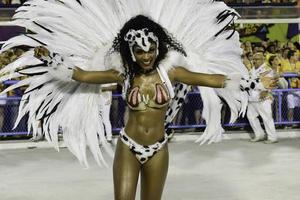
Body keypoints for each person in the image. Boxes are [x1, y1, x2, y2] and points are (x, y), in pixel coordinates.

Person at [0, 1, 277, 199]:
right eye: (140, 51)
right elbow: (82, 75)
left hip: (158, 149)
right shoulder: (122, 75)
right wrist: (51, 59)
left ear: (159, 48)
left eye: (151, 49)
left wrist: (251, 83)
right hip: (128, 147)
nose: (146, 55)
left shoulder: (173, 73)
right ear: (130, 51)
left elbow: (213, 80)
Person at [247, 53, 278, 144]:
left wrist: (266, 90)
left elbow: (272, 82)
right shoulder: (252, 69)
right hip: (252, 97)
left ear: (262, 60)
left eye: (257, 59)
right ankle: (259, 134)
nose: (254, 61)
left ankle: (272, 137)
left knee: (267, 117)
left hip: (263, 96)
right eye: (254, 59)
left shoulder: (267, 69)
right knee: (251, 117)